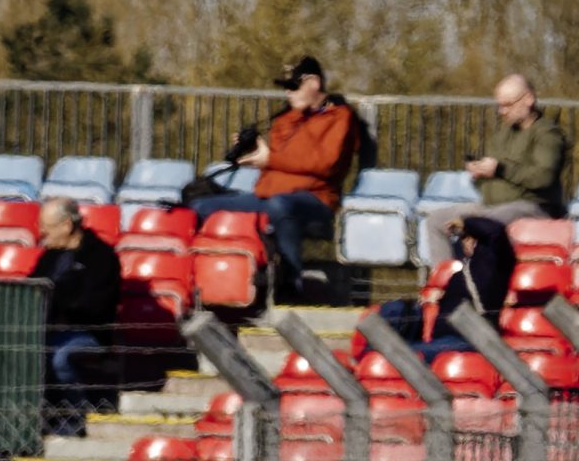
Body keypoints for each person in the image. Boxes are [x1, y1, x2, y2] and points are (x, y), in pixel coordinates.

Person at [190, 56, 361, 307]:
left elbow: (324, 163)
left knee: (281, 205)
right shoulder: (285, 119)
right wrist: (253, 153)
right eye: (286, 88)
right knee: (202, 206)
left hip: (315, 200)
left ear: (314, 83)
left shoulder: (341, 118)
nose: (288, 93)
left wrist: (271, 158)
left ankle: (292, 284)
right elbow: (281, 160)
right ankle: (202, 283)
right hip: (268, 196)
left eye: (293, 86)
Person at [418, 73, 567, 244]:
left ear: (528, 99)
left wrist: (500, 169)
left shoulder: (547, 134)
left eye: (508, 105)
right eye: (500, 105)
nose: (502, 111)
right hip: (492, 207)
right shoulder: (502, 135)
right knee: (437, 221)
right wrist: (479, 175)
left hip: (532, 207)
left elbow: (543, 177)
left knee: (483, 222)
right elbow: (489, 183)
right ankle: (449, 270)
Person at [370, 214, 515, 360]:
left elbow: (496, 231)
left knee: (403, 355)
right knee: (393, 310)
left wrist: (465, 222)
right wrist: (437, 300)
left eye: (470, 237)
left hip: (467, 339)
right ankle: (368, 361)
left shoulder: (497, 266)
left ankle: (376, 361)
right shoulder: (463, 270)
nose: (465, 241)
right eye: (463, 238)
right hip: (440, 335)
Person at [35, 198, 119, 435]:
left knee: (59, 356)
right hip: (48, 330)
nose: (41, 232)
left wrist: (63, 308)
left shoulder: (101, 256)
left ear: (66, 225)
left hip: (89, 334)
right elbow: (32, 288)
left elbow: (97, 306)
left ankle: (74, 419)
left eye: (47, 226)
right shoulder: (49, 257)